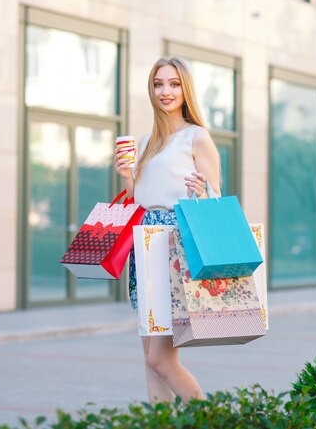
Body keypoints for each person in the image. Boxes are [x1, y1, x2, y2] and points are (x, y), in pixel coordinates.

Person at [114, 57, 221, 403]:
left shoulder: (196, 137)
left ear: (185, 89)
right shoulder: (145, 142)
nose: (165, 91)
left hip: (174, 244)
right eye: (159, 84)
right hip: (144, 244)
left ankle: (213, 422)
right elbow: (141, 199)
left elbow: (215, 198)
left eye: (173, 84)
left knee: (162, 357)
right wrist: (128, 179)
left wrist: (202, 191)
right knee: (149, 359)